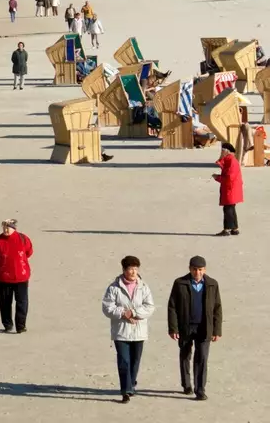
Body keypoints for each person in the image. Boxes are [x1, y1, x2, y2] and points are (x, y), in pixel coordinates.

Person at [167, 255, 221, 400]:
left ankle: (200, 389)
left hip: (204, 327)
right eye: (195, 269)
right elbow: (172, 306)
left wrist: (217, 330)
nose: (197, 272)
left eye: (200, 269)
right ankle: (186, 384)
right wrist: (173, 328)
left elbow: (217, 308)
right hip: (185, 326)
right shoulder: (180, 283)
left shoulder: (212, 284)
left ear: (205, 269)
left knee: (202, 358)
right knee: (185, 355)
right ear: (190, 269)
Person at [102, 255, 155, 402]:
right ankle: (125, 390)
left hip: (139, 331)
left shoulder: (143, 287)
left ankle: (131, 383)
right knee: (124, 361)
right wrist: (122, 313)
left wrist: (134, 312)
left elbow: (149, 307)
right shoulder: (114, 287)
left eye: (135, 269)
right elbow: (107, 307)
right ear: (124, 270)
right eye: (130, 269)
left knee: (135, 360)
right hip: (121, 332)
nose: (133, 272)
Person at [0, 219, 33, 333]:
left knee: (22, 302)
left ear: (14, 228)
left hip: (21, 277)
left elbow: (29, 252)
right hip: (4, 277)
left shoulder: (23, 238)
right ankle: (7, 324)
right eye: (4, 227)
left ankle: (21, 325)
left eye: (8, 227)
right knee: (5, 302)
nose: (5, 229)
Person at [212, 143, 242, 236]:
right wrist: (221, 157)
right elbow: (222, 164)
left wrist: (218, 178)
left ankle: (227, 229)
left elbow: (229, 178)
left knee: (228, 208)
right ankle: (234, 228)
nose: (221, 152)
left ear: (227, 151)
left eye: (223, 150)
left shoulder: (231, 161)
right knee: (231, 208)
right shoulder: (230, 159)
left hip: (230, 188)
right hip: (232, 188)